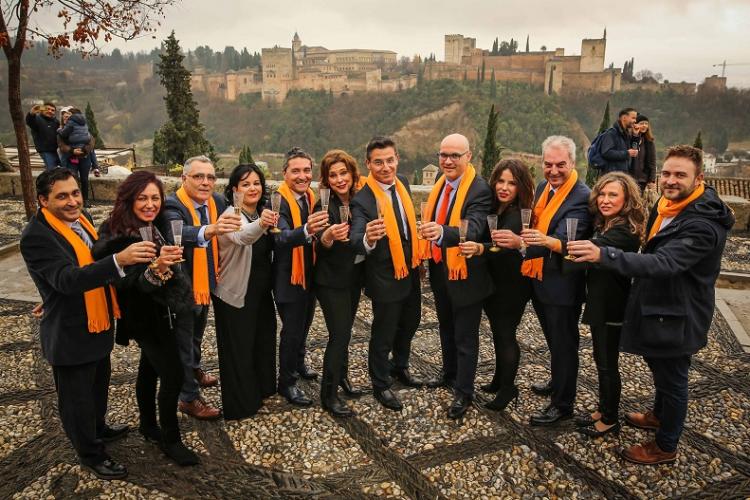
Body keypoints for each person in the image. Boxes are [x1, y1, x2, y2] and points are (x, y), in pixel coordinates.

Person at [569, 145, 734, 464]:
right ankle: (658, 415)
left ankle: (666, 445)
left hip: (679, 311)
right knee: (660, 369)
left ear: (698, 178)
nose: (671, 180)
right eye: (667, 173)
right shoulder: (670, 205)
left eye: (680, 175)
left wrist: (605, 254)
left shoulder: (701, 225)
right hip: (659, 306)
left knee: (673, 379)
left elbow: (665, 263)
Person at [20, 168, 155, 479]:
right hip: (70, 331)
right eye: (62, 196)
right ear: (43, 200)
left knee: (97, 387)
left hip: (97, 321)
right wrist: (119, 261)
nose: (72, 201)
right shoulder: (37, 237)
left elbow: (86, 261)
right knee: (76, 400)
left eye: (75, 193)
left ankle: (99, 428)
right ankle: (91, 454)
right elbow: (66, 280)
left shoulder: (81, 220)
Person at [92, 171, 199, 466]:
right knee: (174, 374)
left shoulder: (156, 223)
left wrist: (165, 268)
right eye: (143, 198)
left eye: (155, 198)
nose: (150, 204)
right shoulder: (115, 232)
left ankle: (149, 425)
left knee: (149, 369)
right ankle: (171, 439)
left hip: (163, 310)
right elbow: (128, 283)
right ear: (129, 199)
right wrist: (157, 270)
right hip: (143, 316)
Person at [420, 134, 493, 419]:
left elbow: (473, 229)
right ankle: (448, 374)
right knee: (445, 326)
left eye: (455, 155)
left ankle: (464, 391)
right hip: (441, 268)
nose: (448, 161)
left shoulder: (479, 190)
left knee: (465, 335)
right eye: (443, 155)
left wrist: (439, 232)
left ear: (469, 156)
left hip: (466, 272)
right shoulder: (440, 185)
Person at [520, 135, 591, 426]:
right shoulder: (542, 187)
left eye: (560, 164)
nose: (554, 170)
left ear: (573, 163)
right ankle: (557, 382)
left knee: (564, 344)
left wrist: (519, 244)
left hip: (563, 285)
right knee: (553, 340)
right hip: (540, 279)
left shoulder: (581, 197)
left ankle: (563, 404)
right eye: (548, 164)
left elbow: (562, 240)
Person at [163, 155, 241, 420]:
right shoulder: (172, 205)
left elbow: (240, 209)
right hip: (182, 288)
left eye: (210, 177)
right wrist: (208, 230)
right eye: (198, 176)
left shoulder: (217, 201)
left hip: (207, 282)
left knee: (196, 335)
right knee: (182, 343)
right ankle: (188, 397)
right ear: (184, 178)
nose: (205, 182)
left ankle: (194, 371)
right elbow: (179, 230)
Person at [351, 136, 424, 411]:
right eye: (378, 162)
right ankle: (380, 383)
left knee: (412, 321)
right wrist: (368, 237)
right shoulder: (363, 199)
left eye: (390, 160)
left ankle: (400, 366)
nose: (385, 167)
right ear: (368, 164)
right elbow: (357, 237)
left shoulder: (403, 182)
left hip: (410, 269)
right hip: (384, 276)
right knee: (384, 333)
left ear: (397, 159)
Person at [572, 172, 644, 438]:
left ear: (627, 199)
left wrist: (552, 242)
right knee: (600, 358)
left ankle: (610, 418)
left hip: (613, 303)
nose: (605, 199)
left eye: (612, 194)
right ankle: (603, 408)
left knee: (607, 363)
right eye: (601, 194)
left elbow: (591, 248)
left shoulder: (624, 231)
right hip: (600, 300)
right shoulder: (606, 224)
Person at [464, 159, 534, 412]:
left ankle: (508, 389)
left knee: (505, 336)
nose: (504, 187)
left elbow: (497, 249)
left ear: (521, 186)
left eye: (512, 183)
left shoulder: (517, 214)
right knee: (497, 332)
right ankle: (498, 380)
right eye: (501, 181)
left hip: (512, 285)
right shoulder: (498, 208)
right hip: (497, 283)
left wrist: (479, 247)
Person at [213, 164, 278, 420]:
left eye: (256, 183)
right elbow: (243, 238)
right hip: (236, 291)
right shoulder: (232, 214)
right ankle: (241, 404)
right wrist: (262, 223)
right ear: (234, 190)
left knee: (261, 341)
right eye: (246, 184)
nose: (253, 188)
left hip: (260, 292)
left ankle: (261, 390)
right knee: (238, 348)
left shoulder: (260, 212)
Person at [273, 147, 329, 406]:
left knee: (305, 325)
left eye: (307, 170)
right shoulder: (277, 200)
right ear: (284, 173)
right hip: (288, 277)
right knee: (292, 331)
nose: (302, 176)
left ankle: (299, 363)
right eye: (296, 170)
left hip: (310, 273)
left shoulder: (309, 197)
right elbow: (281, 237)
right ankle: (286, 383)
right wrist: (307, 229)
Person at [314, 150, 366, 417]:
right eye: (332, 175)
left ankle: (342, 377)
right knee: (340, 334)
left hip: (353, 278)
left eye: (343, 173)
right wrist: (327, 237)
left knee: (345, 331)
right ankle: (329, 394)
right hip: (330, 281)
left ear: (352, 173)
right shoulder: (323, 205)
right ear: (326, 179)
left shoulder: (361, 199)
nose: (339, 179)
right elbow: (316, 244)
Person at [57, 107, 96, 207]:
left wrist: (83, 150)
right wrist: (72, 150)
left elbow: (91, 142)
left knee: (84, 179)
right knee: (73, 179)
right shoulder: (61, 131)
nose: (66, 119)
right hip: (70, 158)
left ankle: (85, 200)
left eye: (68, 116)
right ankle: (74, 200)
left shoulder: (82, 128)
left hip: (84, 157)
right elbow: (61, 146)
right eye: (64, 117)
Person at [599, 107, 638, 173]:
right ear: (624, 118)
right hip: (612, 176)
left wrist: (635, 135)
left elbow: (632, 150)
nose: (635, 121)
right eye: (633, 118)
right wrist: (627, 153)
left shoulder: (626, 134)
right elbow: (606, 152)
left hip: (623, 175)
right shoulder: (611, 133)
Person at [26, 102, 61, 170]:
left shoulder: (56, 121)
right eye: (47, 109)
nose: (50, 111)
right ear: (42, 110)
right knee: (51, 170)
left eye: (52, 110)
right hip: (46, 151)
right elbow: (29, 121)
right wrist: (31, 113)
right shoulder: (37, 119)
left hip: (57, 150)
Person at [630, 115, 657, 193]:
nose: (644, 125)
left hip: (642, 179)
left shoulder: (649, 141)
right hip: (629, 177)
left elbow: (652, 162)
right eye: (642, 123)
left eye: (646, 123)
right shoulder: (630, 139)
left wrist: (652, 180)